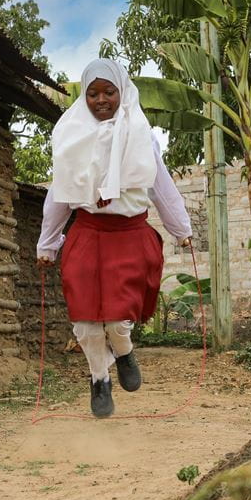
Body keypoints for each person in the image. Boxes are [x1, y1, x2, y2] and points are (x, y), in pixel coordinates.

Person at [37, 58, 193, 418]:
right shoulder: (71, 138)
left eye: (109, 91)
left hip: (128, 234)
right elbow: (59, 195)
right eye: (92, 93)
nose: (101, 99)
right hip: (88, 233)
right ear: (84, 98)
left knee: (119, 320)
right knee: (86, 320)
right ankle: (98, 379)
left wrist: (181, 229)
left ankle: (123, 352)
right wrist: (47, 245)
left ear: (122, 92)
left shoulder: (142, 136)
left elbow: (163, 190)